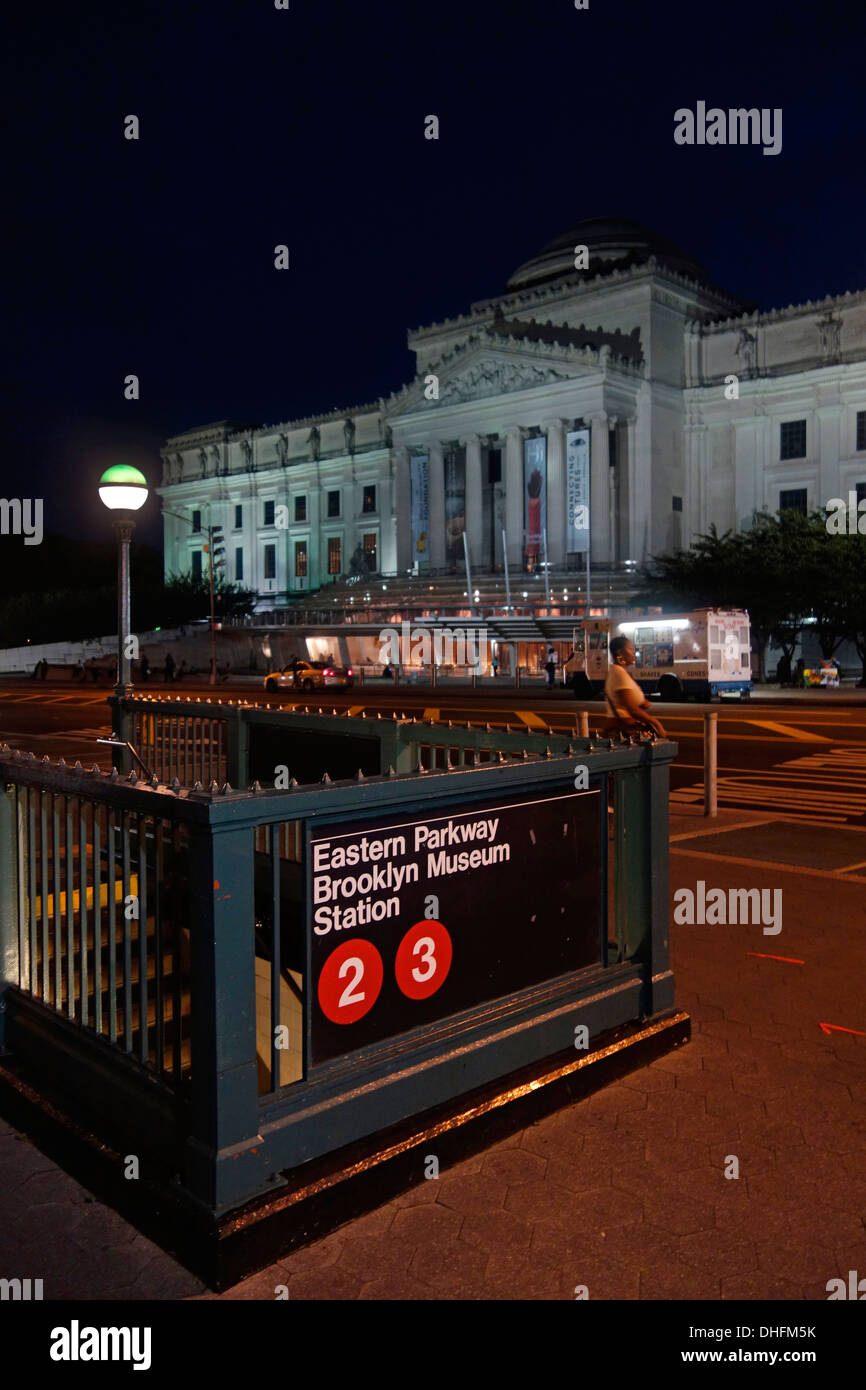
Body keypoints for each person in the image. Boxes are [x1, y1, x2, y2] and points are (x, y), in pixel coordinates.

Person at [603, 636, 666, 738]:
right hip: (624, 731)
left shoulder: (619, 672)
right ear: (620, 653)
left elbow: (626, 703)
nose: (633, 652)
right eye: (630, 649)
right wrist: (656, 723)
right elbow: (632, 709)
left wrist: (641, 703)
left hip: (624, 728)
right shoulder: (619, 674)